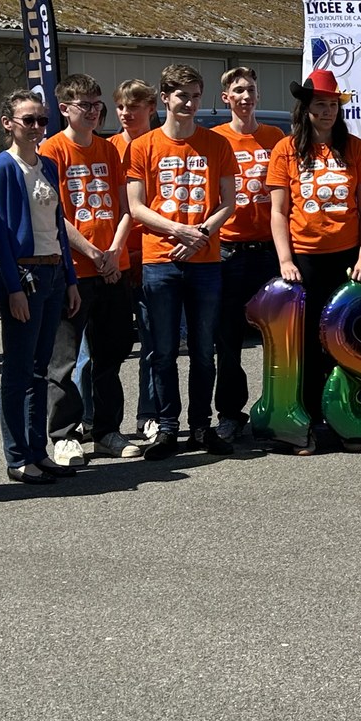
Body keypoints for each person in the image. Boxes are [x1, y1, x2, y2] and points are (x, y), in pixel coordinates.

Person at [126, 64, 237, 460]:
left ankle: (202, 426)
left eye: (194, 96)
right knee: (163, 350)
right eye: (181, 96)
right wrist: (178, 230)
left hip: (205, 260)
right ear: (165, 98)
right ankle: (167, 428)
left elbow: (228, 202)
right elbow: (136, 206)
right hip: (160, 260)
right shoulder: (143, 146)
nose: (189, 103)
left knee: (205, 350)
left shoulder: (217, 144)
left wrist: (200, 234)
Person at [266, 68, 361, 454]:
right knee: (309, 346)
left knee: (348, 341)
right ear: (305, 108)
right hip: (305, 262)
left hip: (347, 260)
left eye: (332, 105)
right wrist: (286, 260)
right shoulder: (286, 150)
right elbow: (279, 212)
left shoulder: (355, 148)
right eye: (320, 105)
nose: (327, 111)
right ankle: (308, 422)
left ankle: (348, 420)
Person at [40, 74, 138, 465]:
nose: (94, 111)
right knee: (64, 360)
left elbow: (125, 208)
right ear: (64, 108)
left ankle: (107, 430)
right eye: (85, 105)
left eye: (98, 104)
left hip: (114, 267)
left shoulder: (109, 149)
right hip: (74, 270)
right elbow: (55, 214)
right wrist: (94, 253)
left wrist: (113, 253)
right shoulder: (51, 150)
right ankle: (65, 435)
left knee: (110, 355)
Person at [0, 90, 81, 484]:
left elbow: (58, 226)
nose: (37, 127)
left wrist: (71, 279)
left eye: (42, 120)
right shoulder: (2, 167)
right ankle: (17, 456)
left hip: (53, 273)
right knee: (19, 370)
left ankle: (37, 451)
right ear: (8, 123)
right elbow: (0, 233)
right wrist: (13, 288)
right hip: (24, 276)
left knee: (41, 370)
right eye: (29, 120)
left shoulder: (48, 165)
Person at [212, 67, 285, 445]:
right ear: (226, 97)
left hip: (269, 252)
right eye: (238, 90)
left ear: (258, 95)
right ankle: (230, 414)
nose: (245, 96)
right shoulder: (215, 139)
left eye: (251, 90)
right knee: (228, 340)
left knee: (278, 339)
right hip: (227, 252)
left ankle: (278, 409)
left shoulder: (275, 138)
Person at [110, 79, 160, 441]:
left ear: (151, 109)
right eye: (121, 107)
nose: (126, 113)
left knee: (153, 344)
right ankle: (89, 418)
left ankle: (149, 415)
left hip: (151, 256)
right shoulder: (108, 147)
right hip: (111, 258)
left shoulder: (159, 145)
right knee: (97, 349)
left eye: (134, 106)